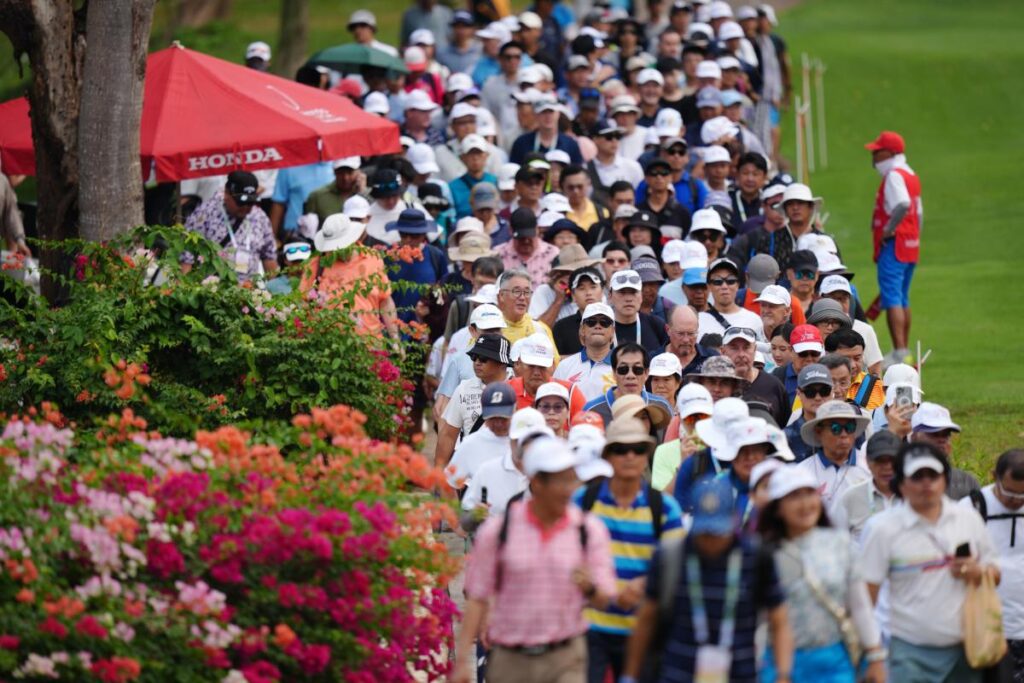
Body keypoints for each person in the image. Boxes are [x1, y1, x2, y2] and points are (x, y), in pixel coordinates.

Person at [453, 436, 618, 683]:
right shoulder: (499, 531)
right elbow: (477, 596)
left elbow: (606, 598)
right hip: (511, 660)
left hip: (566, 657)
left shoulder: (588, 530)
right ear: (537, 483)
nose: (570, 489)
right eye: (561, 481)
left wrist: (589, 587)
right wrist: (462, 660)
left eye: (571, 479)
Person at [621, 476, 794, 683]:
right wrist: (630, 676)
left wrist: (783, 674)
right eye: (704, 532)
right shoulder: (670, 557)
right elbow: (646, 619)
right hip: (678, 675)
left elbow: (779, 619)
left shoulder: (757, 558)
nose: (711, 541)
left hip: (740, 675)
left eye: (718, 532)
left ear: (734, 521)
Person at [861, 442, 999, 683]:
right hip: (908, 652)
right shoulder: (881, 529)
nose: (926, 483)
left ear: (945, 479)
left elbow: (995, 573)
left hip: (966, 649)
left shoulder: (968, 518)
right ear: (901, 483)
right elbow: (866, 597)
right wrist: (872, 653)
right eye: (917, 476)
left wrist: (976, 571)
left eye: (933, 475)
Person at [575, 416, 685, 683]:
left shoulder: (663, 507)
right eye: (621, 449)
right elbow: (566, 556)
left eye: (637, 450)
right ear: (608, 456)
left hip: (644, 628)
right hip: (590, 625)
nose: (630, 456)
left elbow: (678, 565)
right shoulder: (583, 501)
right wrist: (591, 586)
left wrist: (645, 585)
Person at [756, 466, 886, 683]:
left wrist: (875, 656)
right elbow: (759, 618)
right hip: (780, 664)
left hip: (833, 662)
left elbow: (859, 605)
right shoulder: (765, 553)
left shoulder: (840, 544)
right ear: (777, 508)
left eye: (809, 493)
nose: (805, 504)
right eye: (794, 496)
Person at [959, 448, 1024, 680]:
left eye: (1022, 497)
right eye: (1010, 494)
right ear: (993, 475)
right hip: (987, 630)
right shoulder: (970, 509)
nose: (1016, 502)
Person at [865, 131, 922, 364]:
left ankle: (899, 352)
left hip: (894, 244)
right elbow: (918, 212)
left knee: (892, 299)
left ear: (889, 153)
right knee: (902, 298)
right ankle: (904, 350)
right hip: (910, 244)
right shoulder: (911, 174)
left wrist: (888, 230)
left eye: (877, 152)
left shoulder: (894, 176)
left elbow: (903, 204)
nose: (874, 157)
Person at [299, 213, 398, 340]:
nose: (336, 250)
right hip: (326, 346)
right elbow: (303, 303)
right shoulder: (316, 264)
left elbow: (385, 300)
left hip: (370, 345)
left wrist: (395, 338)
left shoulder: (373, 258)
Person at [435, 333, 513, 474]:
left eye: (483, 358)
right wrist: (438, 473)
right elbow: (448, 435)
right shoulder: (463, 389)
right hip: (469, 480)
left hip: (506, 477)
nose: (477, 362)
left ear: (502, 362)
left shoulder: (517, 389)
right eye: (474, 357)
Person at [181, 171, 278, 283]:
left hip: (249, 292)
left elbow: (269, 258)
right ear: (227, 194)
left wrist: (277, 293)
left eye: (250, 202)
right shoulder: (204, 215)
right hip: (213, 292)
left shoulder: (260, 217)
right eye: (241, 203)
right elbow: (186, 259)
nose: (246, 207)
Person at [794, 400, 871, 509]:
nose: (844, 434)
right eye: (836, 428)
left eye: (850, 428)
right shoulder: (802, 473)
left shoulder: (869, 468)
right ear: (818, 432)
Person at [445, 381, 516, 492]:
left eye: (503, 418)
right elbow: (450, 483)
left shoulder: (523, 442)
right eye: (493, 418)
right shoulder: (470, 444)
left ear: (514, 410)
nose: (498, 423)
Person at [831, 429, 900, 540]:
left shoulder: (916, 496)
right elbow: (835, 544)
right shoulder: (850, 498)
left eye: (893, 460)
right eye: (880, 460)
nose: (887, 467)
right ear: (867, 462)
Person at [582, 342, 673, 426]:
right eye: (623, 369)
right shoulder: (592, 411)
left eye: (637, 369)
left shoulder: (662, 407)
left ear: (646, 373)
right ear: (614, 373)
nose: (630, 375)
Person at [719, 326, 791, 427]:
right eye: (734, 348)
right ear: (723, 351)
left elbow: (784, 427)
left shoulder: (773, 385)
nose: (741, 354)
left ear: (755, 350)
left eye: (746, 347)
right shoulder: (714, 387)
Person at [911, 402, 982, 501]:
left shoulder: (967, 482)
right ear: (914, 437)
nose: (942, 440)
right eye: (934, 434)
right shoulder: (900, 480)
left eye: (946, 434)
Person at [651, 383, 714, 491]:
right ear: (680, 419)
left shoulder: (724, 448)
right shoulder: (664, 451)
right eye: (690, 418)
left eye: (703, 416)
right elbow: (661, 502)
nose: (697, 423)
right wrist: (683, 467)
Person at [818, 275, 883, 377]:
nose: (839, 304)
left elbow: (875, 370)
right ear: (820, 299)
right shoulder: (812, 329)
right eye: (834, 299)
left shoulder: (865, 330)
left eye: (843, 299)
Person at [553, 302, 615, 402]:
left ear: (613, 331)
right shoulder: (564, 367)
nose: (598, 326)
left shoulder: (624, 368)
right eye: (591, 322)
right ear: (582, 329)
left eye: (605, 322)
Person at [698, 257, 764, 340]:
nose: (724, 286)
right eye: (718, 281)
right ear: (709, 286)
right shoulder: (698, 321)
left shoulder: (754, 320)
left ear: (738, 285)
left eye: (730, 280)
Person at [494, 209, 560, 290]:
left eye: (530, 236)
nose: (526, 241)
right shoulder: (498, 254)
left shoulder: (553, 254)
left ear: (537, 229)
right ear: (510, 231)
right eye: (521, 237)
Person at [608, 269, 670, 353]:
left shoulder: (657, 325)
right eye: (622, 292)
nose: (628, 299)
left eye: (633, 292)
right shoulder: (602, 326)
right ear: (610, 296)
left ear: (641, 296)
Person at [783, 364, 835, 463]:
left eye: (824, 391)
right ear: (798, 393)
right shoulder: (786, 438)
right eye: (810, 392)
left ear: (832, 392)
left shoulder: (847, 430)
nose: (818, 397)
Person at [494, 267, 557, 346]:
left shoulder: (540, 329)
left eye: (527, 292)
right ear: (501, 295)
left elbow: (553, 358)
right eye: (516, 291)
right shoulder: (489, 327)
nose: (522, 297)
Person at [510, 99, 584, 165]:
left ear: (558, 114)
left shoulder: (570, 144)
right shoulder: (521, 143)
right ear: (536, 115)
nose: (548, 116)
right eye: (543, 112)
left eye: (551, 112)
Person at [551, 266, 606, 355]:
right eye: (581, 288)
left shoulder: (613, 323)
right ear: (573, 295)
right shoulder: (561, 328)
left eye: (593, 287)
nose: (588, 293)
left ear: (602, 290)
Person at [659, 304, 719, 376]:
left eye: (691, 333)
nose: (686, 340)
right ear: (668, 330)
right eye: (680, 334)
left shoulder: (712, 359)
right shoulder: (654, 361)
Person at [773, 323, 824, 406]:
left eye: (815, 353)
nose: (809, 358)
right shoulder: (777, 377)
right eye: (803, 353)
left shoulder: (830, 375)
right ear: (791, 351)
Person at [303, 157, 362, 225]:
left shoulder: (367, 195)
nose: (345, 178)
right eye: (340, 172)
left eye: (350, 172)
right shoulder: (317, 196)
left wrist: (363, 193)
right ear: (334, 172)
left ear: (358, 172)